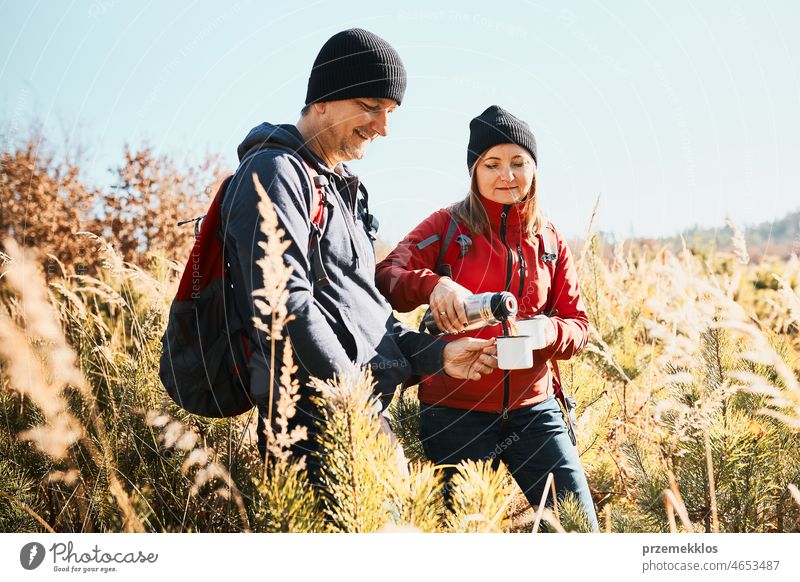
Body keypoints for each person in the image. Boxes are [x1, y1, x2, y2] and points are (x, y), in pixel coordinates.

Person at [220, 29, 497, 485]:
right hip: (315, 432)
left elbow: (370, 319)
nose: (383, 127)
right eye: (371, 107)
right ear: (322, 100)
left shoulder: (341, 188)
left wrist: (439, 354)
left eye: (390, 112)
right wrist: (354, 404)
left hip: (357, 420)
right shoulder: (273, 173)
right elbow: (287, 305)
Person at [375, 105, 599, 530]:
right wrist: (433, 285)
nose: (507, 175)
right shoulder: (446, 227)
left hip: (536, 412)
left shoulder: (549, 240)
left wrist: (549, 331)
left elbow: (579, 325)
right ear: (474, 171)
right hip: (455, 415)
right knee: (464, 539)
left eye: (519, 162)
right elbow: (387, 276)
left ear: (534, 168)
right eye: (491, 164)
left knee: (578, 531)